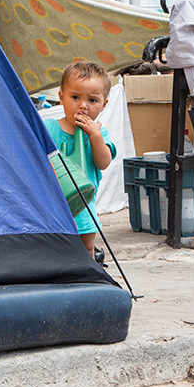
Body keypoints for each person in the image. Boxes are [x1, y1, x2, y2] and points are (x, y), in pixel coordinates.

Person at [43, 61, 115, 259]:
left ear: (104, 104)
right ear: (61, 97)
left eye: (92, 100)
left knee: (86, 250)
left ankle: (88, 280)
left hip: (83, 207)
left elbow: (104, 162)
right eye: (75, 97)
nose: (83, 105)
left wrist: (95, 136)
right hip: (52, 207)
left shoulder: (99, 133)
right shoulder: (48, 128)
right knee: (55, 252)